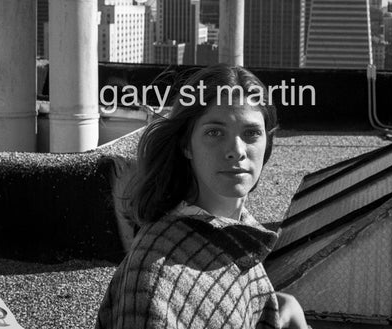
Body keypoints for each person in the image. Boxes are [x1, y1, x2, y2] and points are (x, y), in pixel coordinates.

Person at [96, 64, 309, 329]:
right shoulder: (155, 279)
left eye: (251, 133)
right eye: (215, 133)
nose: (236, 150)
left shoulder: (235, 237)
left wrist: (283, 308)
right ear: (186, 145)